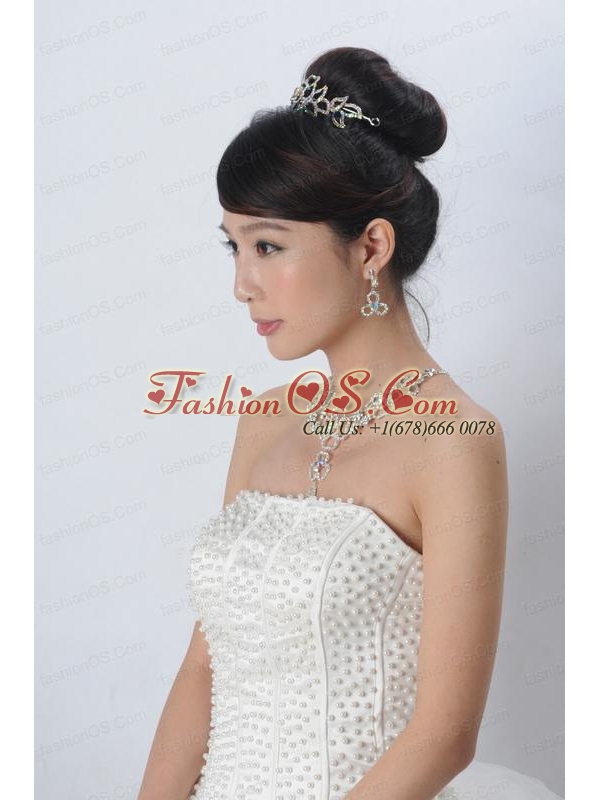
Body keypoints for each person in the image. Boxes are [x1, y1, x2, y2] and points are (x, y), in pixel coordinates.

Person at [137, 47, 563, 800]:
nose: (242, 284)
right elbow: (205, 666)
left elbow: (444, 733)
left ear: (371, 247)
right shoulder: (264, 420)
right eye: (234, 246)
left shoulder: (455, 443)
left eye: (268, 246)